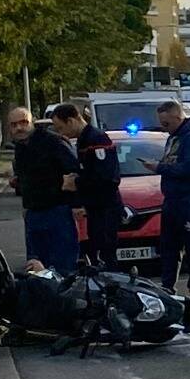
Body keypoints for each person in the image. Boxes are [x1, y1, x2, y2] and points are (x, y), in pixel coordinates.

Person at [6, 106, 81, 275]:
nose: (19, 128)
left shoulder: (53, 142)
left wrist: (76, 204)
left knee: (62, 267)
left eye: (23, 122)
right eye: (14, 124)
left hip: (57, 211)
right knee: (36, 267)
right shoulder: (20, 148)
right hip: (33, 213)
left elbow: (74, 172)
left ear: (32, 122)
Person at [49, 102, 123, 270]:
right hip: (95, 207)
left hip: (105, 207)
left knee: (105, 253)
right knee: (96, 249)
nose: (61, 133)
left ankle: (111, 288)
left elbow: (106, 177)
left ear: (71, 121)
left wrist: (76, 182)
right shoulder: (84, 140)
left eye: (60, 128)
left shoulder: (96, 139)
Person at [153, 99, 190, 301]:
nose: (164, 128)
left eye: (166, 123)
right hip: (173, 198)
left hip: (189, 198)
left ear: (177, 117)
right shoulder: (174, 137)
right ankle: (168, 287)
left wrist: (159, 168)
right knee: (169, 244)